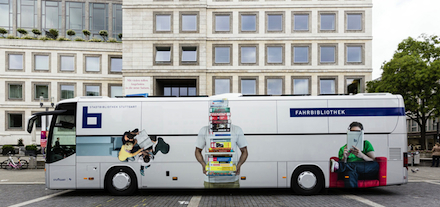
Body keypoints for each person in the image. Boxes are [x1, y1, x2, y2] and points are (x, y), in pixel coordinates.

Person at [195, 124, 248, 188]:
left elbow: (244, 151)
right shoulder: (204, 130)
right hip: (211, 180)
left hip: (232, 179)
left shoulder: (236, 130)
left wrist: (239, 165)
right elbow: (198, 150)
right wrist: (203, 165)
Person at [330, 121, 379, 188]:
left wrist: (362, 156)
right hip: (353, 173)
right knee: (349, 172)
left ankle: (339, 166)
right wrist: (345, 157)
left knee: (375, 164)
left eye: (358, 132)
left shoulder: (366, 144)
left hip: (366, 171)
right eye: (352, 132)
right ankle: (352, 194)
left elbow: (372, 159)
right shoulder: (343, 149)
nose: (355, 134)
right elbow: (344, 163)